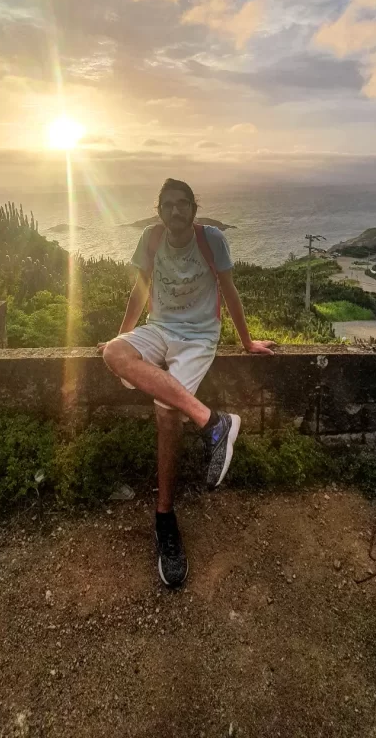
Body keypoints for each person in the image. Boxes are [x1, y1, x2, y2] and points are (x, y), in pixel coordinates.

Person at [101, 178, 276, 588]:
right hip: (159, 328)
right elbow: (139, 292)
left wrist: (247, 342)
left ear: (194, 209)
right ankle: (213, 422)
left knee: (166, 411)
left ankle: (165, 517)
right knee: (112, 353)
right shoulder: (150, 238)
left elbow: (229, 292)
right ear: (159, 210)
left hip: (199, 335)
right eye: (168, 205)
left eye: (183, 204)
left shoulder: (211, 239)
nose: (175, 212)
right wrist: (121, 335)